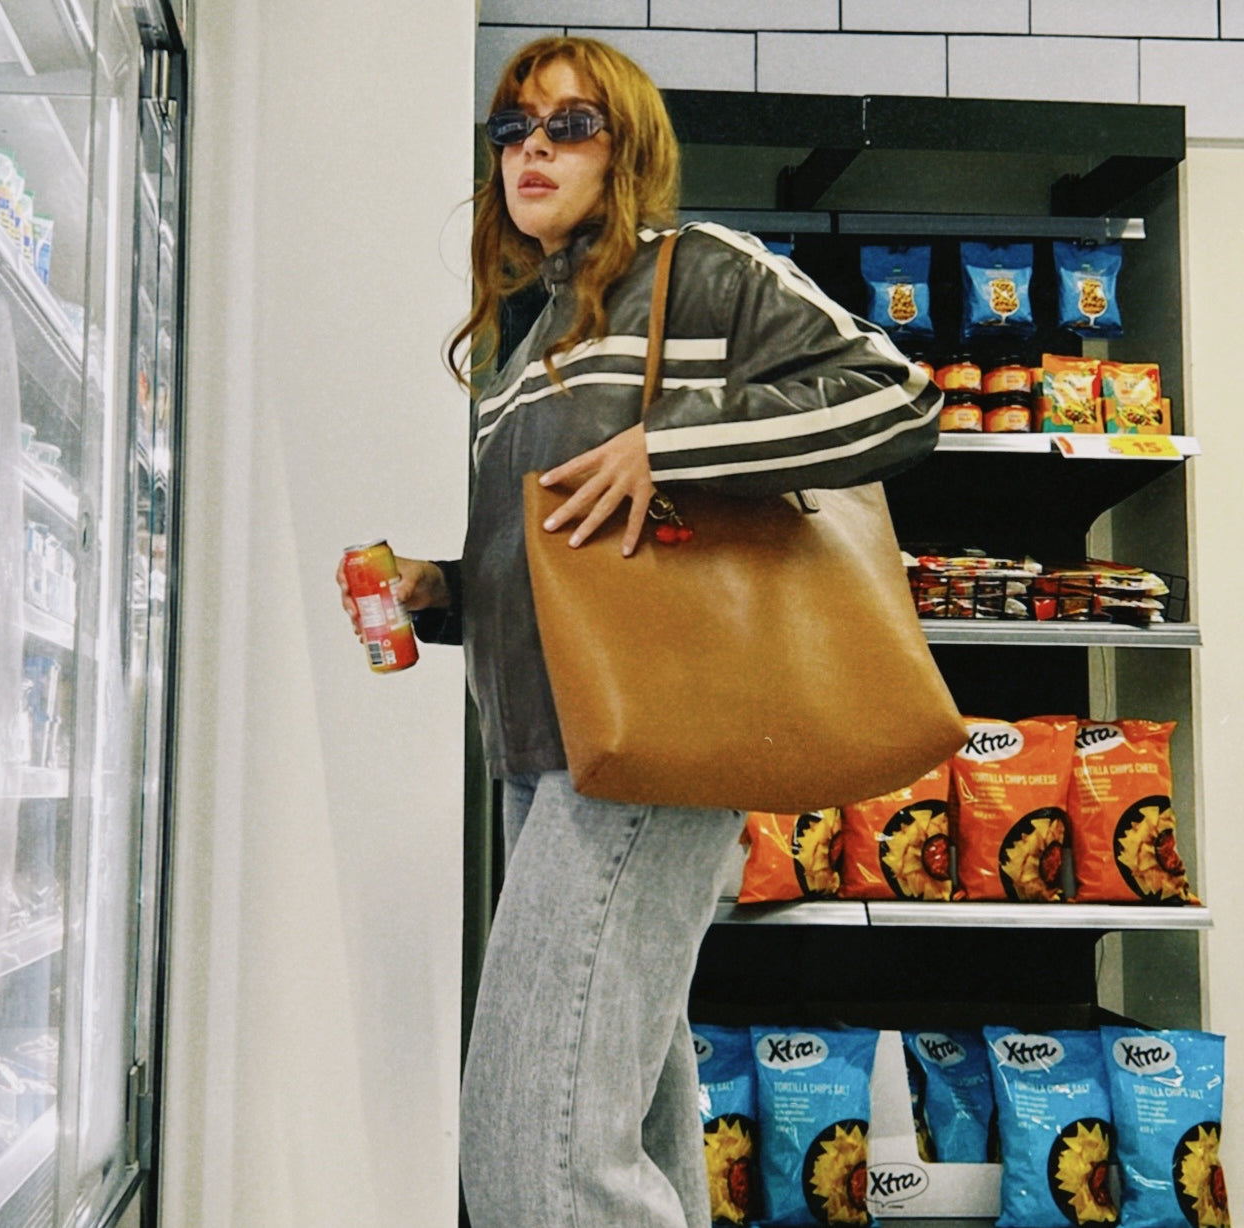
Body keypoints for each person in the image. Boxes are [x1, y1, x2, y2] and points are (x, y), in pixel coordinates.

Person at [336, 35, 942, 1228]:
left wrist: (670, 444)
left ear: (629, 150)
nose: (534, 149)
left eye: (571, 125)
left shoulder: (699, 269)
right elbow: (565, 565)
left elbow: (899, 398)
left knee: (535, 1139)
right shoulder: (526, 343)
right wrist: (440, 590)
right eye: (514, 129)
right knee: (624, 1118)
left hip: (653, 748)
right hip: (543, 751)